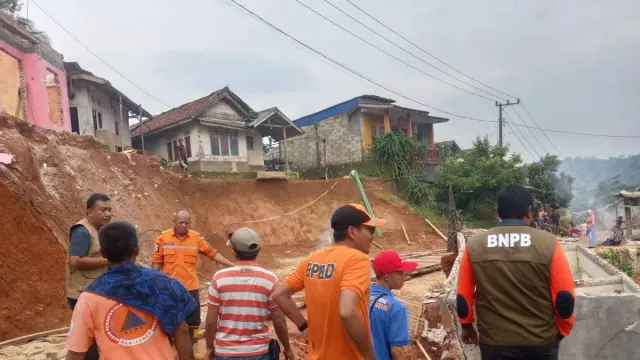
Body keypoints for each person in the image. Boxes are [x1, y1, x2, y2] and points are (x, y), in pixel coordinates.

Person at [457, 184, 575, 360]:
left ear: (498, 211)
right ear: (529, 211)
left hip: (494, 343)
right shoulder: (549, 243)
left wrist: (466, 325)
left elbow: (463, 296)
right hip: (541, 342)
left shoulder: (474, 245)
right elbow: (564, 298)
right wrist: (561, 332)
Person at [65, 221, 196, 360]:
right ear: (136, 249)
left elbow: (76, 351)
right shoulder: (165, 285)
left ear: (103, 253)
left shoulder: (89, 296)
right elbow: (181, 330)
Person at [273, 204, 386, 360]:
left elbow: (280, 295)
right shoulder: (357, 260)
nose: (373, 236)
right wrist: (369, 355)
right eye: (370, 230)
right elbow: (348, 312)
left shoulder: (312, 260)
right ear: (352, 232)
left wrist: (304, 327)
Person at [152, 210, 235, 360]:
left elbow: (212, 253)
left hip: (191, 287)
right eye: (180, 222)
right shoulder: (162, 238)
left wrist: (231, 265)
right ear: (174, 222)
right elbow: (156, 262)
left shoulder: (196, 238)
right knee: (168, 319)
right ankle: (172, 349)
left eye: (186, 223)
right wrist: (155, 284)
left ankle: (194, 348)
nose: (184, 225)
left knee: (194, 321)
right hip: (170, 288)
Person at [205, 228, 294, 360]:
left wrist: (209, 347)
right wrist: (287, 349)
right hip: (259, 353)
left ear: (233, 250)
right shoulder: (269, 279)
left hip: (225, 352)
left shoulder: (219, 278)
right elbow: (279, 321)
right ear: (258, 250)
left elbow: (211, 320)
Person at [66, 193, 113, 360]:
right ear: (89, 212)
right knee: (88, 339)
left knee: (96, 336)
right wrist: (107, 260)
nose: (107, 214)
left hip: (94, 292)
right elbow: (75, 261)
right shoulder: (82, 232)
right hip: (81, 294)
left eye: (109, 210)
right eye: (102, 210)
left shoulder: (100, 230)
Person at [369, 250, 417, 360]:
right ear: (387, 277)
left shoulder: (361, 297)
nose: (404, 275)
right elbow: (397, 350)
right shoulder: (396, 308)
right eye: (400, 272)